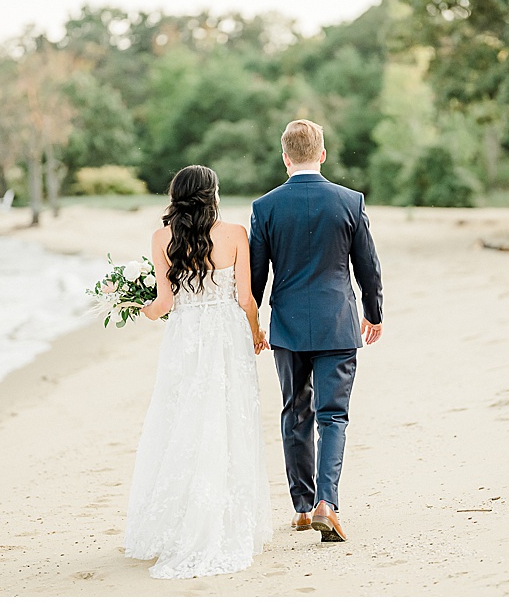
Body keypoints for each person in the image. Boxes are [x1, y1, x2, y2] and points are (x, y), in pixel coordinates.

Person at [124, 165, 272, 579]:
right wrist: (256, 333)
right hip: (226, 334)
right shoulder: (235, 234)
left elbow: (164, 303)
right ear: (212, 195)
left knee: (182, 420)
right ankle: (221, 521)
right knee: (226, 419)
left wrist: (141, 310)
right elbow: (245, 298)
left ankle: (178, 523)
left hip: (185, 337)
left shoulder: (161, 238)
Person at [249, 119, 384, 543]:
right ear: (322, 154)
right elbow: (368, 267)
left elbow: (254, 279)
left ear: (285, 157)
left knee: (295, 413)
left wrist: (251, 324)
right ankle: (329, 502)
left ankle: (304, 508)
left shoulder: (265, 207)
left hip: (287, 328)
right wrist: (373, 312)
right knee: (333, 416)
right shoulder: (349, 201)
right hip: (338, 324)